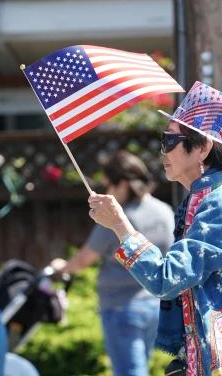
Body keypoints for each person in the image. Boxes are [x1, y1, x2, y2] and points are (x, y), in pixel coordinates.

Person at [86, 81, 222, 375]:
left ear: (203, 148)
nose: (163, 151)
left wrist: (121, 226)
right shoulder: (218, 197)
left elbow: (166, 279)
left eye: (169, 141)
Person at [50, 150, 175, 376]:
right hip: (156, 307)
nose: (105, 191)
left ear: (123, 185)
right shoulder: (165, 212)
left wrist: (62, 267)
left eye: (107, 185)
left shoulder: (117, 221)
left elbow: (85, 258)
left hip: (122, 308)